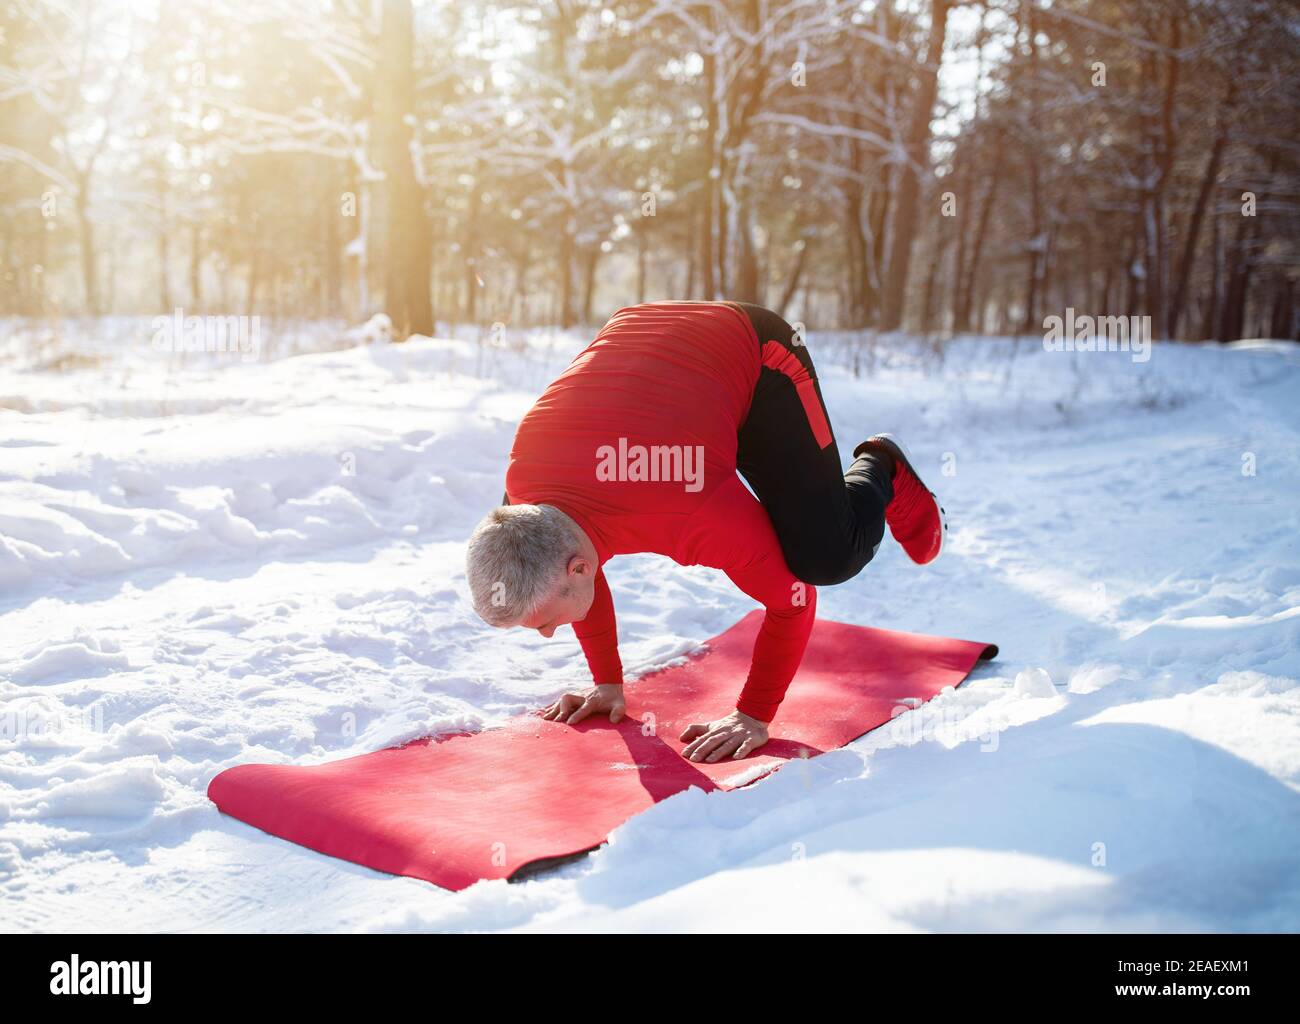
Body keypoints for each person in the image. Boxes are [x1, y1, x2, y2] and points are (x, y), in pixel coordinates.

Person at [465, 301, 944, 763]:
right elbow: (572, 564)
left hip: (753, 354)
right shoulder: (525, 501)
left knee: (826, 555)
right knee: (575, 542)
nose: (549, 633)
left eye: (544, 621)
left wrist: (753, 715)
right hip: (642, 341)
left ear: (580, 568)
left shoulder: (690, 510)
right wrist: (607, 683)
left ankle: (881, 465)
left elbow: (793, 600)